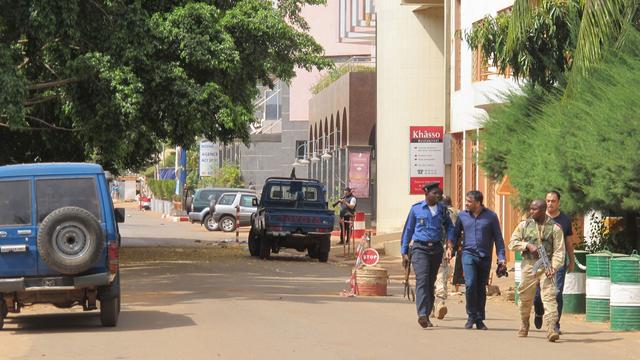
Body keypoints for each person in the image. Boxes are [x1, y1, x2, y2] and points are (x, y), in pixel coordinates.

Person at [446, 190, 505, 330]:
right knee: (470, 283)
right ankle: (471, 315)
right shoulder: (462, 216)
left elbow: (498, 239)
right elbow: (454, 234)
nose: (466, 203)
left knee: (480, 287)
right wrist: (450, 249)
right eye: (466, 201)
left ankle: (479, 319)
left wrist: (501, 258)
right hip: (468, 254)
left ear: (478, 203)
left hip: (485, 256)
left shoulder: (491, 217)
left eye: (469, 201)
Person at [508, 199, 565, 342]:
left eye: (535, 209)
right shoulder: (524, 225)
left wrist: (554, 266)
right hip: (529, 266)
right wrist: (527, 245)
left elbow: (559, 251)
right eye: (531, 209)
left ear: (543, 209)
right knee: (525, 298)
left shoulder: (555, 228)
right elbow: (512, 243)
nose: (531, 211)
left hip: (547, 266)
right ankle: (524, 322)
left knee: (549, 297)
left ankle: (551, 328)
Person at [401, 182, 455, 328]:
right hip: (419, 248)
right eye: (435, 193)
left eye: (440, 193)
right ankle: (422, 314)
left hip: (436, 249)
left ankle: (428, 312)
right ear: (426, 193)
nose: (438, 196)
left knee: (430, 283)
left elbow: (450, 227)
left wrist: (450, 243)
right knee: (422, 279)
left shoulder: (443, 210)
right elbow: (408, 230)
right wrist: (404, 251)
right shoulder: (416, 209)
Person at [533, 191, 575, 333]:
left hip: (558, 262)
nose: (550, 203)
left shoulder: (564, 220)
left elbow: (569, 242)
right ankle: (539, 312)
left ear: (559, 203)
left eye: (553, 201)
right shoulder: (538, 218)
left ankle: (555, 324)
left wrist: (571, 260)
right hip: (540, 262)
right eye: (548, 201)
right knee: (539, 294)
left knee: (556, 293)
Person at [433, 195, 460, 319]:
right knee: (441, 275)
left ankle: (432, 306)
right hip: (448, 248)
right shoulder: (458, 212)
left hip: (434, 247)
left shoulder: (436, 213)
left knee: (430, 278)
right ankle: (440, 301)